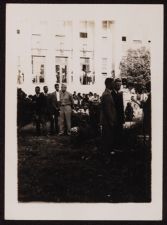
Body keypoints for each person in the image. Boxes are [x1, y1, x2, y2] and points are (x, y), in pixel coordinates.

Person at [100, 78, 117, 155]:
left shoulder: (107, 93)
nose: (114, 84)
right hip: (107, 121)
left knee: (107, 137)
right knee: (107, 138)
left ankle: (107, 153)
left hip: (106, 120)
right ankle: (107, 155)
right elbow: (108, 110)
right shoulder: (107, 95)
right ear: (108, 84)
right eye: (113, 83)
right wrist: (111, 121)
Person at [111, 78, 125, 149]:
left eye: (120, 85)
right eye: (117, 85)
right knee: (115, 133)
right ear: (114, 85)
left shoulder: (119, 94)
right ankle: (115, 147)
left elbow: (121, 107)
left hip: (120, 118)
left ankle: (119, 147)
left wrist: (123, 118)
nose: (119, 87)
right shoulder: (112, 94)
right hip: (115, 117)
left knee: (120, 133)